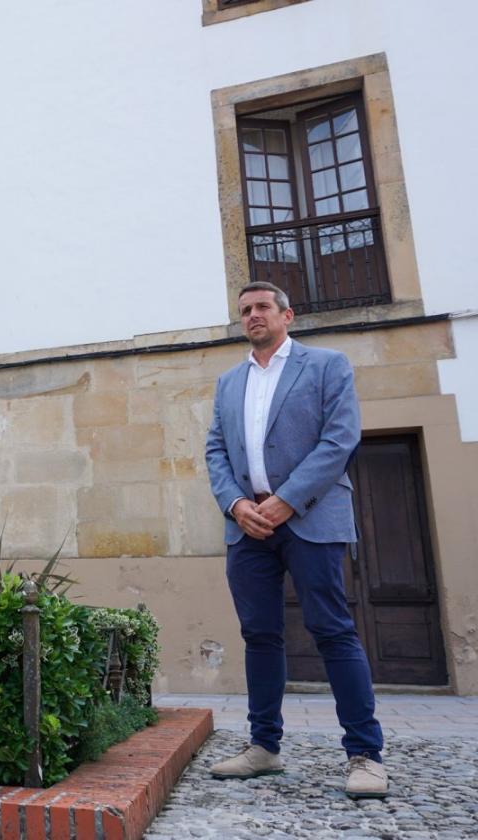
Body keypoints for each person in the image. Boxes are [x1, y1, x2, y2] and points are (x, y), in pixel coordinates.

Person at [204, 280, 387, 799]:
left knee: (332, 630)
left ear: (289, 316)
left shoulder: (327, 365)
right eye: (246, 310)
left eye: (263, 307)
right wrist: (237, 505)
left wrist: (286, 499)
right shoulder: (228, 382)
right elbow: (215, 451)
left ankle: (365, 755)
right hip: (248, 526)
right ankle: (263, 747)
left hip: (309, 517)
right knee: (259, 635)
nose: (253, 315)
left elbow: (340, 439)